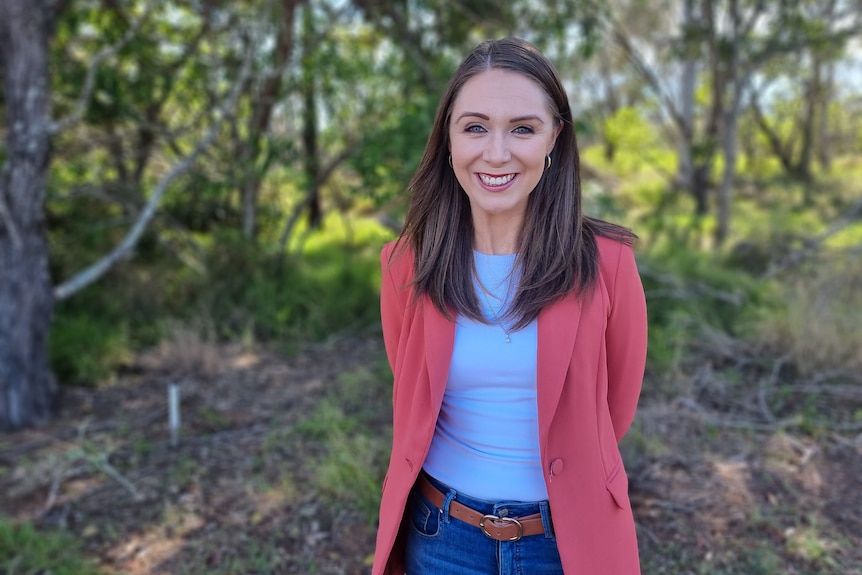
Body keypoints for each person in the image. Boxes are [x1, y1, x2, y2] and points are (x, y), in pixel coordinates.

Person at [372, 36, 648, 575]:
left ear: (554, 139)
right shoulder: (405, 264)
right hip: (442, 536)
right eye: (475, 126)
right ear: (448, 138)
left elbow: (614, 409)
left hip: (566, 540)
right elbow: (410, 387)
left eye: (522, 128)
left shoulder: (608, 263)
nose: (496, 153)